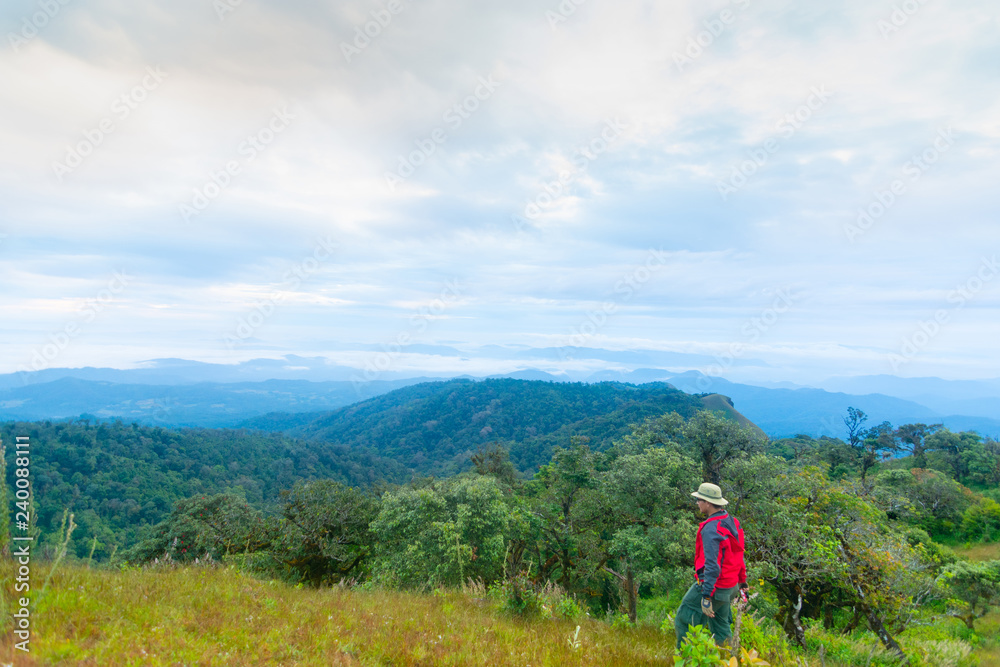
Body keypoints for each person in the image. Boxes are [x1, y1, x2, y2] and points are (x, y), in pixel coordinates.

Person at [674, 482, 748, 648]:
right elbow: (739, 553)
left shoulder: (711, 529)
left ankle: (686, 660)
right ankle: (727, 660)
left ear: (707, 503)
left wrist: (706, 596)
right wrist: (742, 582)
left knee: (684, 620)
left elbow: (712, 566)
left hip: (715, 587)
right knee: (721, 628)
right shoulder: (733, 522)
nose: (697, 503)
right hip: (731, 586)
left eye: (699, 500)